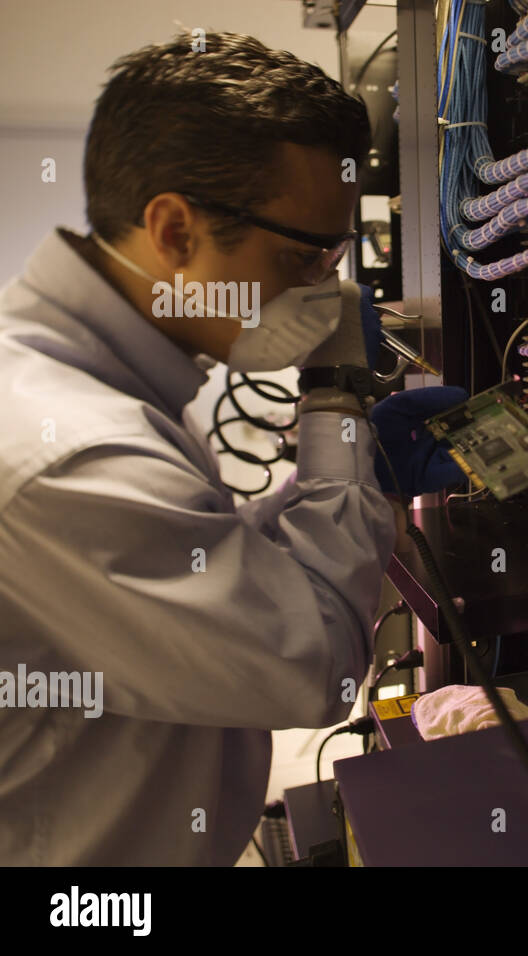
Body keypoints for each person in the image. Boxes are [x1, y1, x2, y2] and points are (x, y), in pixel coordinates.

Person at [0, 32, 464, 865]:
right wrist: (335, 398)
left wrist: (338, 484)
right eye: (302, 256)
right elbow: (313, 664)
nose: (326, 290)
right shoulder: (69, 450)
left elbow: (196, 558)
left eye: (335, 257)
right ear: (175, 229)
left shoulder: (84, 389)